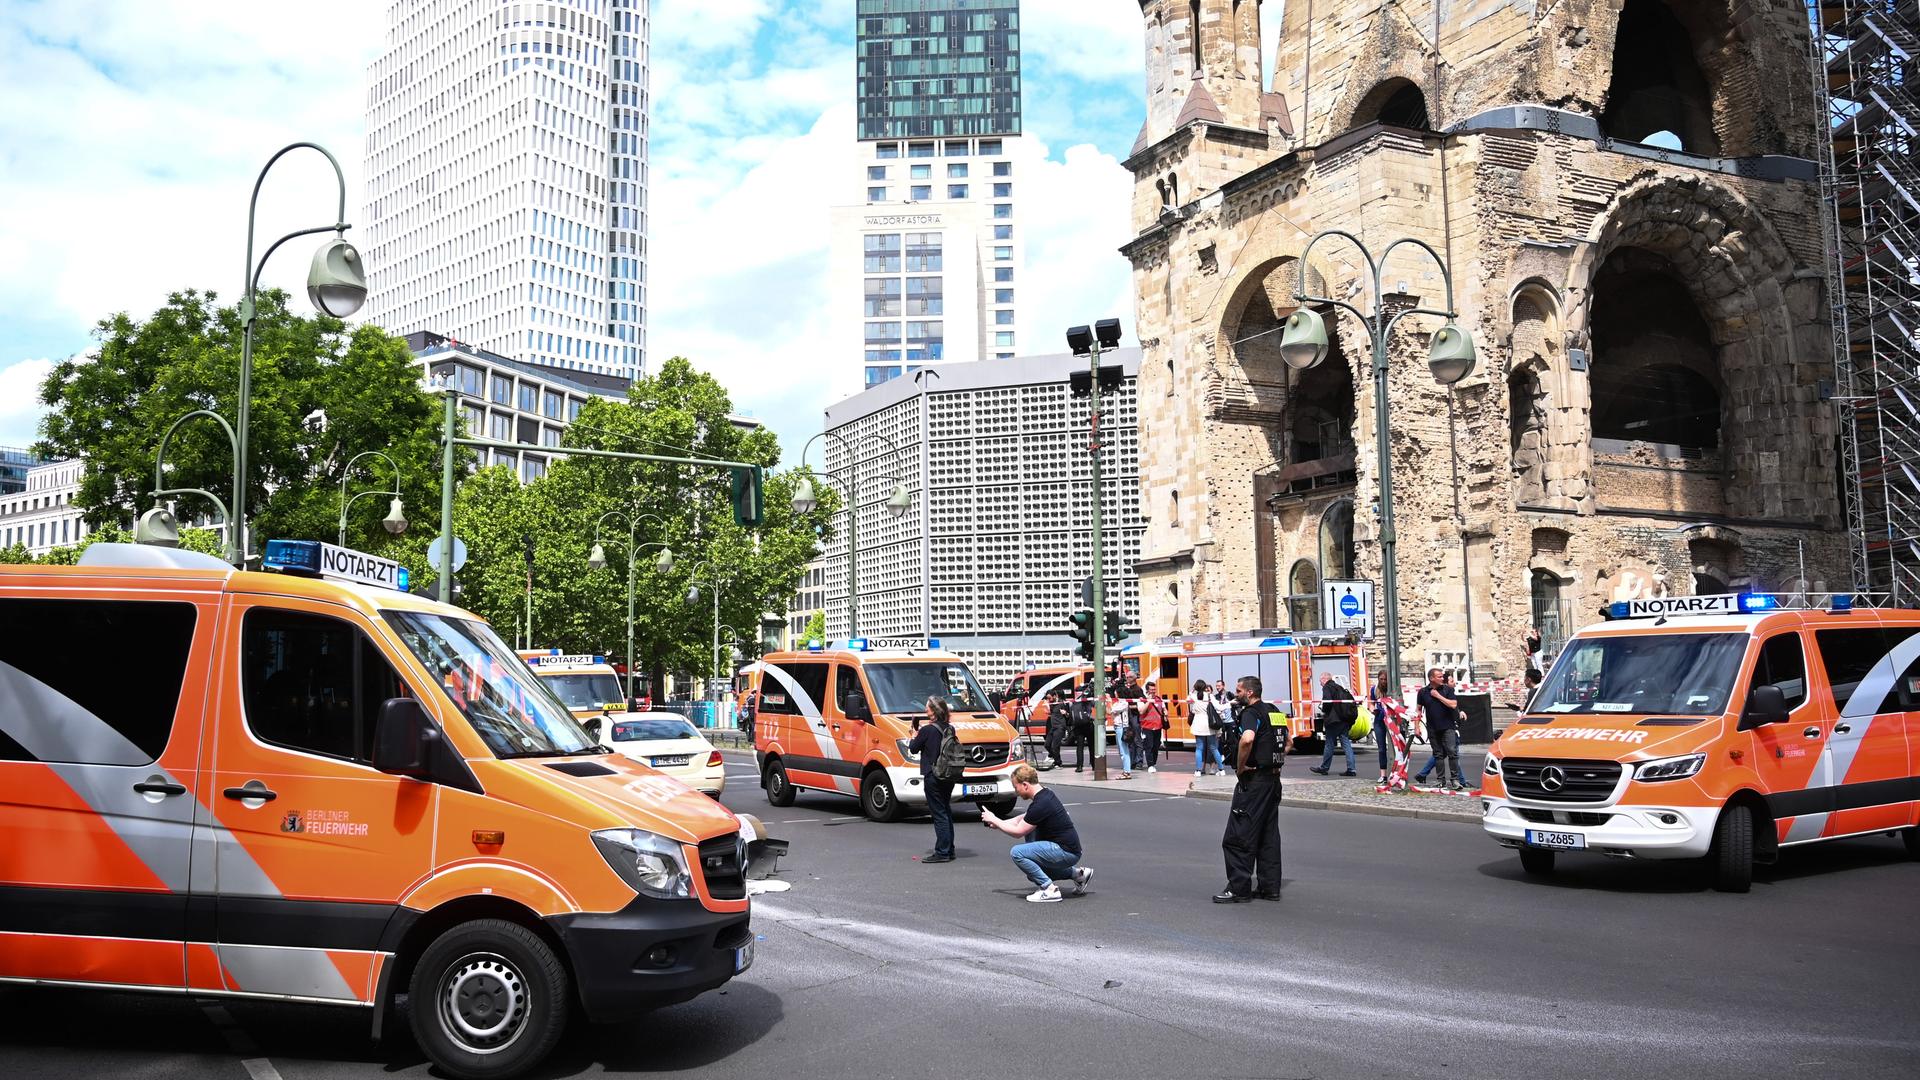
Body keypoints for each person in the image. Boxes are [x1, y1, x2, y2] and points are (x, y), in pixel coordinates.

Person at [1216, 674, 1284, 903]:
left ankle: (1238, 888)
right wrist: (1275, 763)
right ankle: (1270, 887)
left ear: (1250, 693)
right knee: (1268, 836)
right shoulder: (1274, 710)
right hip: (1273, 781)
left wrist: (1241, 766)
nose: (1236, 694)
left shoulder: (1250, 713)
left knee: (1238, 836)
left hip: (1254, 782)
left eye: (1239, 691)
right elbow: (1289, 741)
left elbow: (1247, 739)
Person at [984, 763, 1091, 903]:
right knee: (1033, 872)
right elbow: (1023, 818)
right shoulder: (1045, 794)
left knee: (1017, 853)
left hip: (1065, 851)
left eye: (1016, 787)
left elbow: (1018, 832)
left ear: (1025, 785)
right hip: (1069, 849)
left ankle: (1049, 889)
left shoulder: (1041, 804)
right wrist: (998, 822)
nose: (1016, 792)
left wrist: (995, 820)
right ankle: (1079, 874)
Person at [909, 696, 956, 863]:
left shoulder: (927, 730)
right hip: (948, 774)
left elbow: (913, 749)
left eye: (927, 707)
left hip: (933, 775)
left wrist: (914, 735)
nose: (925, 710)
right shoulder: (949, 728)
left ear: (934, 711)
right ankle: (949, 849)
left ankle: (942, 852)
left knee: (939, 814)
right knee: (946, 810)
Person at [1413, 669, 1467, 790]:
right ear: (1431, 678)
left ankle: (1455, 780)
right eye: (1439, 677)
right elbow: (1418, 710)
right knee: (1438, 755)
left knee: (1452, 752)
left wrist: (1438, 696)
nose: (1443, 678)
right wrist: (1416, 727)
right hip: (1432, 727)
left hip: (1448, 727)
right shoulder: (1423, 692)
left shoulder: (1447, 690)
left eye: (1442, 676)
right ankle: (1440, 780)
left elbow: (1453, 704)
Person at [1308, 671, 1359, 777]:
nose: (1320, 684)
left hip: (1333, 721)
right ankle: (1352, 769)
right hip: (1344, 720)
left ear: (1324, 679)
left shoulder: (1327, 687)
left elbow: (1327, 701)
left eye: (1320, 681)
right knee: (1346, 744)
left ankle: (1324, 768)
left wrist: (1324, 709)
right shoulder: (1339, 687)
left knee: (1329, 744)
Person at [1368, 670, 1397, 784]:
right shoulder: (1374, 689)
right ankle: (1383, 775)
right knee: (1381, 749)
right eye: (1381, 679)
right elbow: (1371, 703)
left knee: (1393, 747)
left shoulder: (1392, 690)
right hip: (1379, 720)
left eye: (1385, 679)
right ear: (1378, 679)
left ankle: (1394, 773)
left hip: (1391, 720)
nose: (1383, 681)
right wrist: (1372, 710)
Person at [1188, 679, 1221, 776]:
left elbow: (1187, 699)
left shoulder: (1193, 696)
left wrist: (1192, 690)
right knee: (1214, 748)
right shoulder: (1209, 696)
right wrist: (1229, 704)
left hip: (1198, 725)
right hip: (1209, 725)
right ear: (1205, 687)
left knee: (1199, 749)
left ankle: (1198, 770)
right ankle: (1221, 769)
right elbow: (1219, 707)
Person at [1139, 688, 1167, 772]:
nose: (1153, 691)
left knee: (1156, 746)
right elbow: (1141, 711)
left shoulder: (1159, 699)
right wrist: (1149, 701)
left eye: (1154, 689)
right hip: (1147, 727)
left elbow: (1164, 709)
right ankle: (1150, 765)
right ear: (1147, 691)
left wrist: (1165, 713)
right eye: (1151, 690)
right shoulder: (1142, 700)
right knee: (1149, 746)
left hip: (1158, 726)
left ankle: (1153, 763)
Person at [1215, 684, 1241, 771]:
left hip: (1230, 721)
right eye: (1216, 686)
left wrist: (1239, 715)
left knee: (1232, 740)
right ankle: (1222, 756)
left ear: (1223, 686)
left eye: (1219, 686)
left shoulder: (1229, 695)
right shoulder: (1216, 697)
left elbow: (1237, 704)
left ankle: (1233, 758)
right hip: (1221, 721)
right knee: (1221, 740)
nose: (1217, 687)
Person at [1043, 688, 1070, 768]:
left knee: (1055, 746)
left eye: (1049, 698)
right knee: (1047, 744)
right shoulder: (1051, 704)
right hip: (1053, 727)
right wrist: (1046, 704)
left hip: (1060, 726)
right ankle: (1055, 758)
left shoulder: (1061, 703)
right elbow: (1047, 712)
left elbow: (1068, 714)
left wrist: (1066, 713)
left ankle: (1058, 762)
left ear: (1054, 696)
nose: (1048, 700)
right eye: (1047, 698)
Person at [1069, 689, 1095, 772]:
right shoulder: (1087, 700)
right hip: (1088, 725)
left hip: (1078, 726)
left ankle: (1079, 766)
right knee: (1092, 746)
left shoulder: (1073, 702)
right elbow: (1094, 705)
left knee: (1080, 747)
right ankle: (1093, 764)